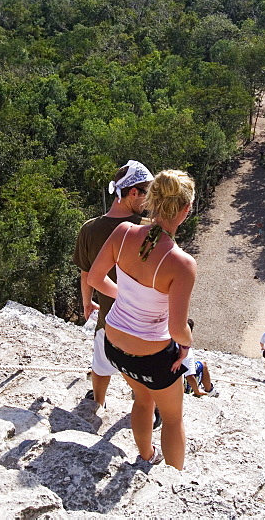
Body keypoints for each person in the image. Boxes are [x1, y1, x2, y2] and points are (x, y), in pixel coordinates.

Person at [88, 169, 197, 470]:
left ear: (151, 199)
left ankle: (146, 456)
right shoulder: (182, 263)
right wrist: (187, 345)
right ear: (185, 210)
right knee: (173, 418)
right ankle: (174, 480)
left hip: (114, 343)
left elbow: (96, 278)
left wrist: (125, 296)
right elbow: (177, 329)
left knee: (142, 398)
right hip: (152, 354)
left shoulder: (122, 233)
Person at [74, 159, 152, 408]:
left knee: (101, 362)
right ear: (132, 192)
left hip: (108, 315)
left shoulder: (89, 229)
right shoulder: (148, 229)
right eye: (146, 194)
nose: (148, 202)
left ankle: (98, 402)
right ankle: (149, 408)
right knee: (143, 367)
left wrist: (88, 303)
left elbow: (86, 273)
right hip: (143, 317)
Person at [182, 319, 218, 397]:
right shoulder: (186, 348)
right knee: (203, 364)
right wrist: (196, 390)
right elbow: (190, 375)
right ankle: (210, 391)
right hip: (182, 384)